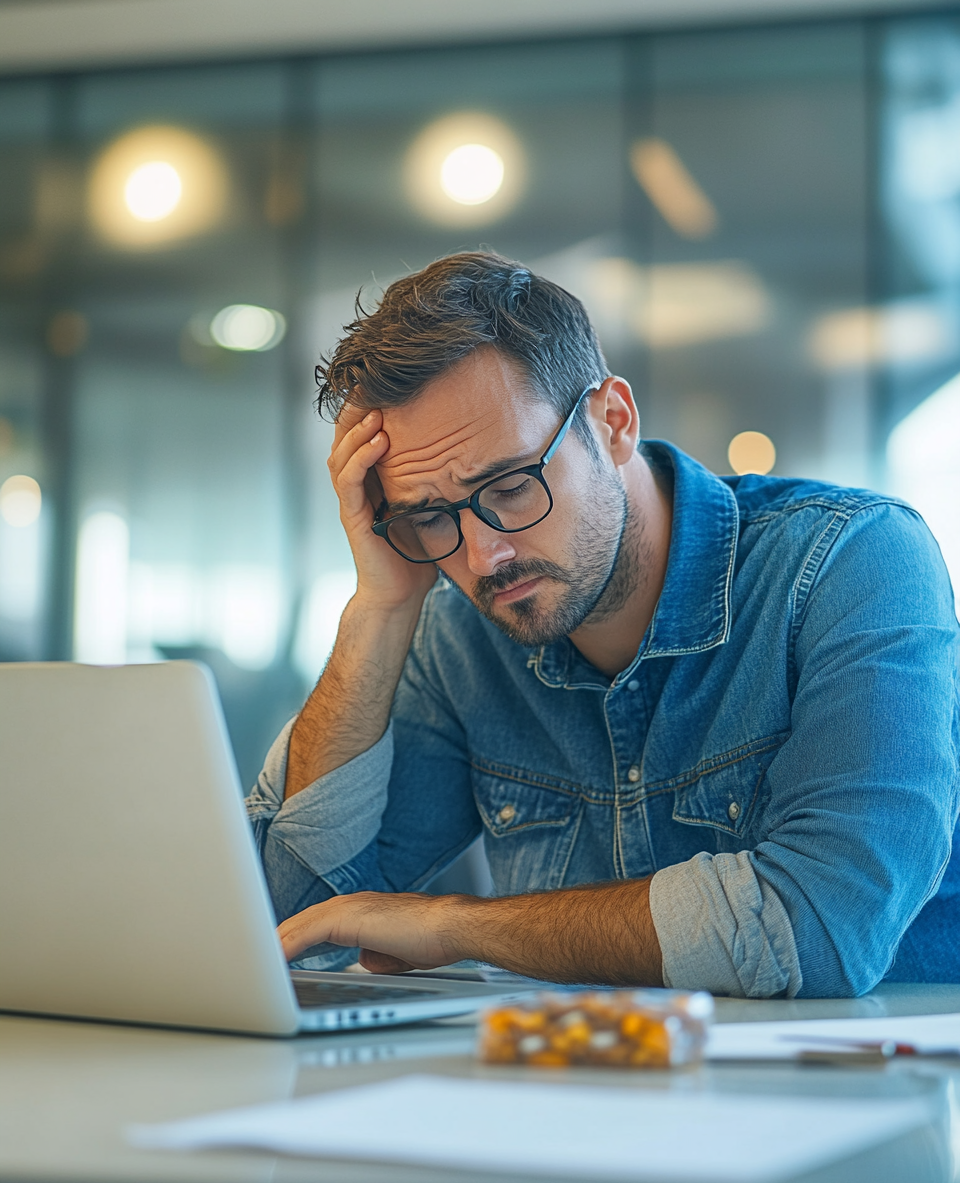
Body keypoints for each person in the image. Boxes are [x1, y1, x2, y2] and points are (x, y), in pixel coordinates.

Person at [246, 251, 960, 998]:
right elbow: (290, 924)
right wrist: (380, 607)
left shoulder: (850, 561)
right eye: (431, 516)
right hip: (593, 1086)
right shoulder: (459, 631)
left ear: (612, 422)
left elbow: (820, 927)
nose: (484, 555)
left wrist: (456, 925)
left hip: (869, 1092)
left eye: (510, 486)